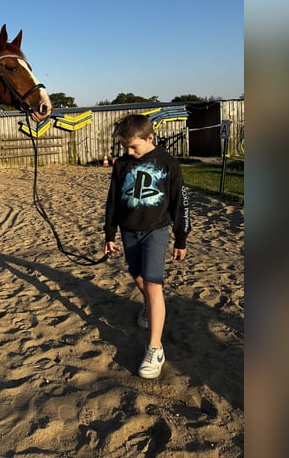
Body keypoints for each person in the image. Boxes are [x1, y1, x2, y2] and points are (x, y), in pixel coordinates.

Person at [103, 114, 190, 379]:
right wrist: (109, 234)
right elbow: (112, 202)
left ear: (150, 138)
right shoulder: (121, 166)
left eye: (133, 147)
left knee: (154, 285)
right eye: (125, 147)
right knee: (138, 277)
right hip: (129, 230)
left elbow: (180, 202)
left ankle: (155, 348)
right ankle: (148, 307)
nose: (128, 152)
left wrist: (181, 236)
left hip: (156, 231)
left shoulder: (168, 163)